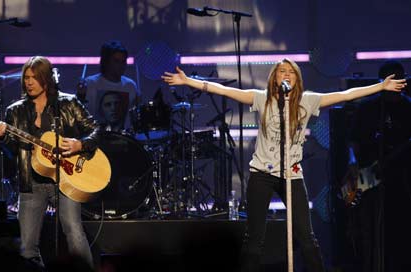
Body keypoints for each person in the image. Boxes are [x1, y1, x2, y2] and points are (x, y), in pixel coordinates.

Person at [161, 58, 406, 272]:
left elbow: (345, 95)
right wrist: (189, 82)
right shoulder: (262, 98)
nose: (285, 74)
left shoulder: (308, 101)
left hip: (292, 175)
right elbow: (222, 90)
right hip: (262, 174)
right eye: (281, 71)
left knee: (306, 236)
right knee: (254, 237)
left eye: (290, 71)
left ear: (296, 78)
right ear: (274, 78)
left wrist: (381, 86)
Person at [0, 56, 98, 269]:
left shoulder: (68, 103)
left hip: (66, 179)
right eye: (26, 78)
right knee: (26, 246)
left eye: (34, 78)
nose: (29, 82)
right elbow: (12, 152)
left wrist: (80, 145)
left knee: (74, 232)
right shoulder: (15, 111)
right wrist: (2, 137)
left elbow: (97, 131)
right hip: (31, 182)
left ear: (47, 79)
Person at [345, 60, 411, 272]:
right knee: (368, 231)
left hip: (401, 178)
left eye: (401, 77)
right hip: (369, 176)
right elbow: (352, 140)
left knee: (399, 230)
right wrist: (353, 162)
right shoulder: (368, 107)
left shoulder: (408, 107)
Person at [77, 40, 140, 132]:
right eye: (116, 61)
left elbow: (133, 119)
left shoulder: (130, 85)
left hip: (122, 141)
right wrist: (80, 95)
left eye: (123, 61)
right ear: (106, 62)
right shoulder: (90, 83)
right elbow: (78, 115)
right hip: (94, 140)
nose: (121, 65)